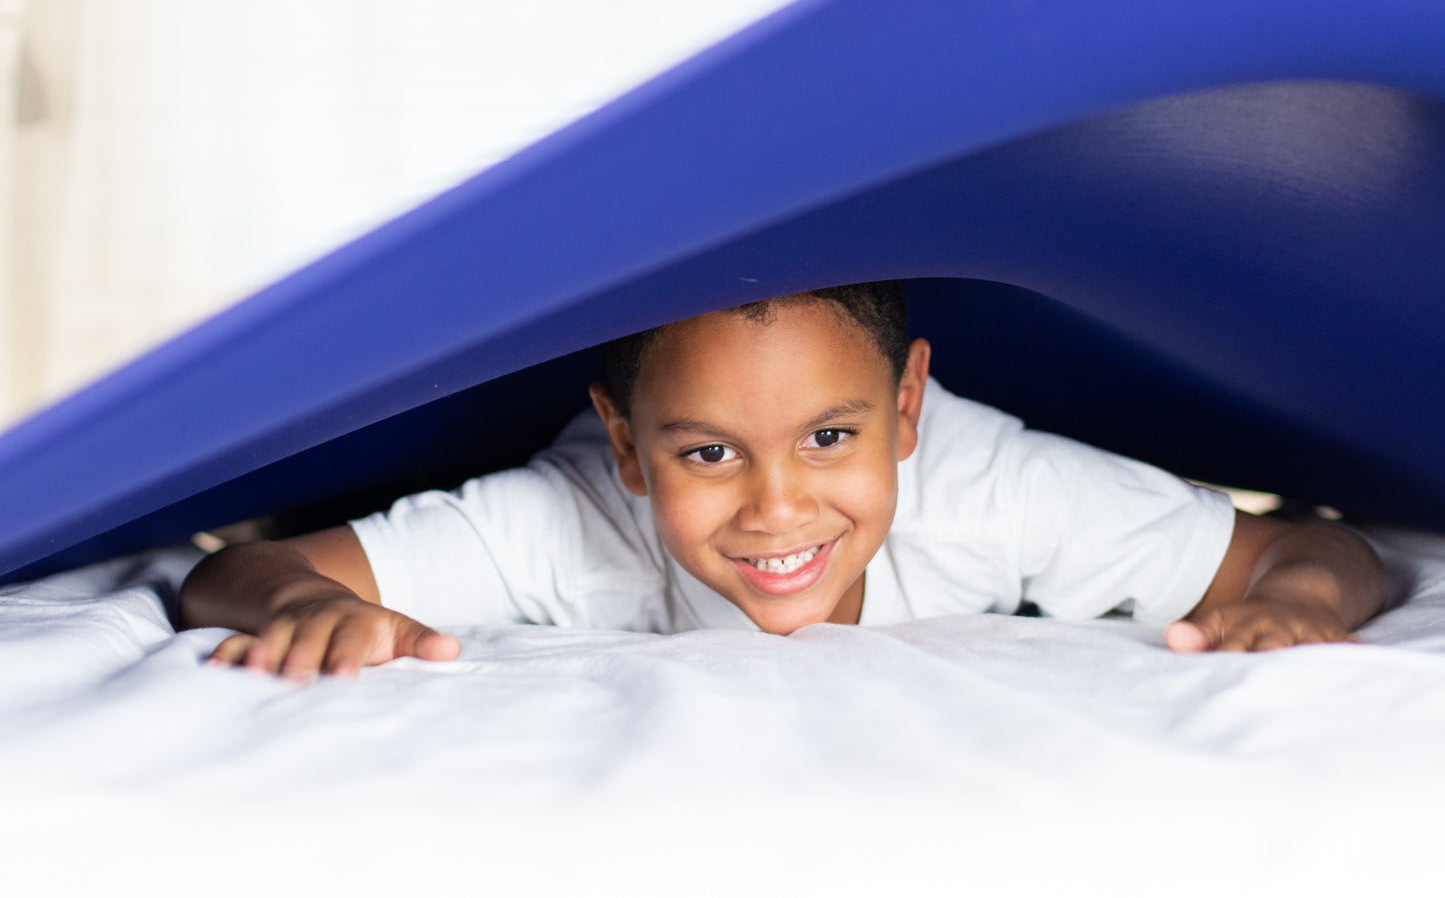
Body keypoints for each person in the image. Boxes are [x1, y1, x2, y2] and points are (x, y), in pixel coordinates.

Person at [179, 282, 1388, 682]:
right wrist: (298, 606)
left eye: (828, 439)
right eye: (708, 453)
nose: (776, 508)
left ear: (904, 411)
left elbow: (1312, 552)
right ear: (624, 447)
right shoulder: (571, 521)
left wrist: (1304, 607)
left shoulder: (991, 485)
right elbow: (240, 567)